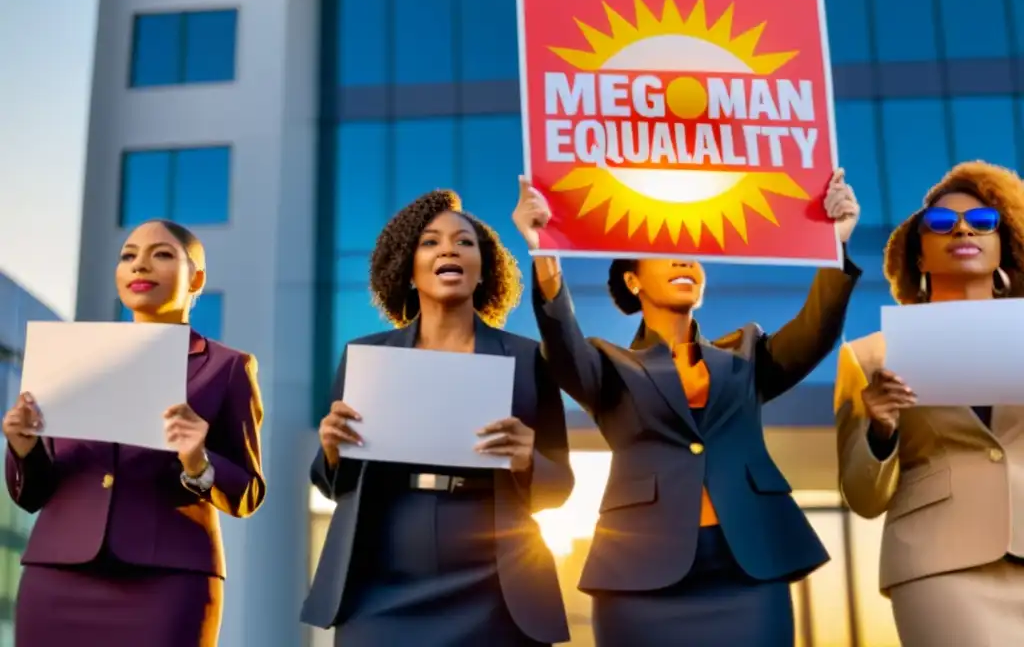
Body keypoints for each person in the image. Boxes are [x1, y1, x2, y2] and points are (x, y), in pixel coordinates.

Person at [513, 170, 862, 647]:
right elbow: (562, 341)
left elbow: (817, 330)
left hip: (748, 566)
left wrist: (835, 242)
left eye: (692, 253)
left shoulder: (747, 354)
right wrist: (543, 252)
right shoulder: (608, 366)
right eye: (663, 251)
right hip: (640, 576)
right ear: (632, 280)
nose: (684, 259)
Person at [301, 189, 573, 647]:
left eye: (465, 242)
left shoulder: (527, 360)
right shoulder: (366, 356)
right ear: (407, 270)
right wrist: (330, 451)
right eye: (431, 242)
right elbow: (333, 483)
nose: (449, 248)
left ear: (483, 268)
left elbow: (559, 486)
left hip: (495, 585)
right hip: (380, 582)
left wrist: (528, 459)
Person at [4, 219, 265, 646]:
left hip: (169, 584)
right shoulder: (72, 359)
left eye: (161, 254)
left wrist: (198, 461)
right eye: (129, 256)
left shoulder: (227, 367)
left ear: (196, 277)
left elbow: (247, 493)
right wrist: (22, 447)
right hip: (57, 577)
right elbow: (33, 495)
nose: (139, 266)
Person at [835, 161, 1024, 647]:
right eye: (940, 224)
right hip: (941, 565)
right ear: (918, 257)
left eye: (984, 223)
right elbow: (863, 496)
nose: (962, 228)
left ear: (1005, 246)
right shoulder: (870, 356)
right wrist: (880, 429)